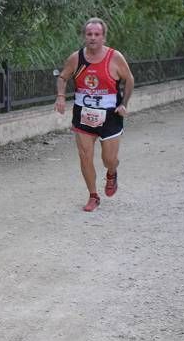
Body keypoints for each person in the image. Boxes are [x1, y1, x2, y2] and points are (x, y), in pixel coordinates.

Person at [54, 18, 135, 212]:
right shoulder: (76, 58)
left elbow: (129, 79)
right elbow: (63, 77)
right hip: (84, 114)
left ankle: (112, 172)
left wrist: (124, 103)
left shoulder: (115, 57)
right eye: (89, 34)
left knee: (109, 159)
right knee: (85, 156)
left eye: (97, 34)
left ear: (103, 37)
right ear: (84, 36)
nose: (92, 38)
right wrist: (61, 96)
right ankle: (93, 196)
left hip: (110, 115)